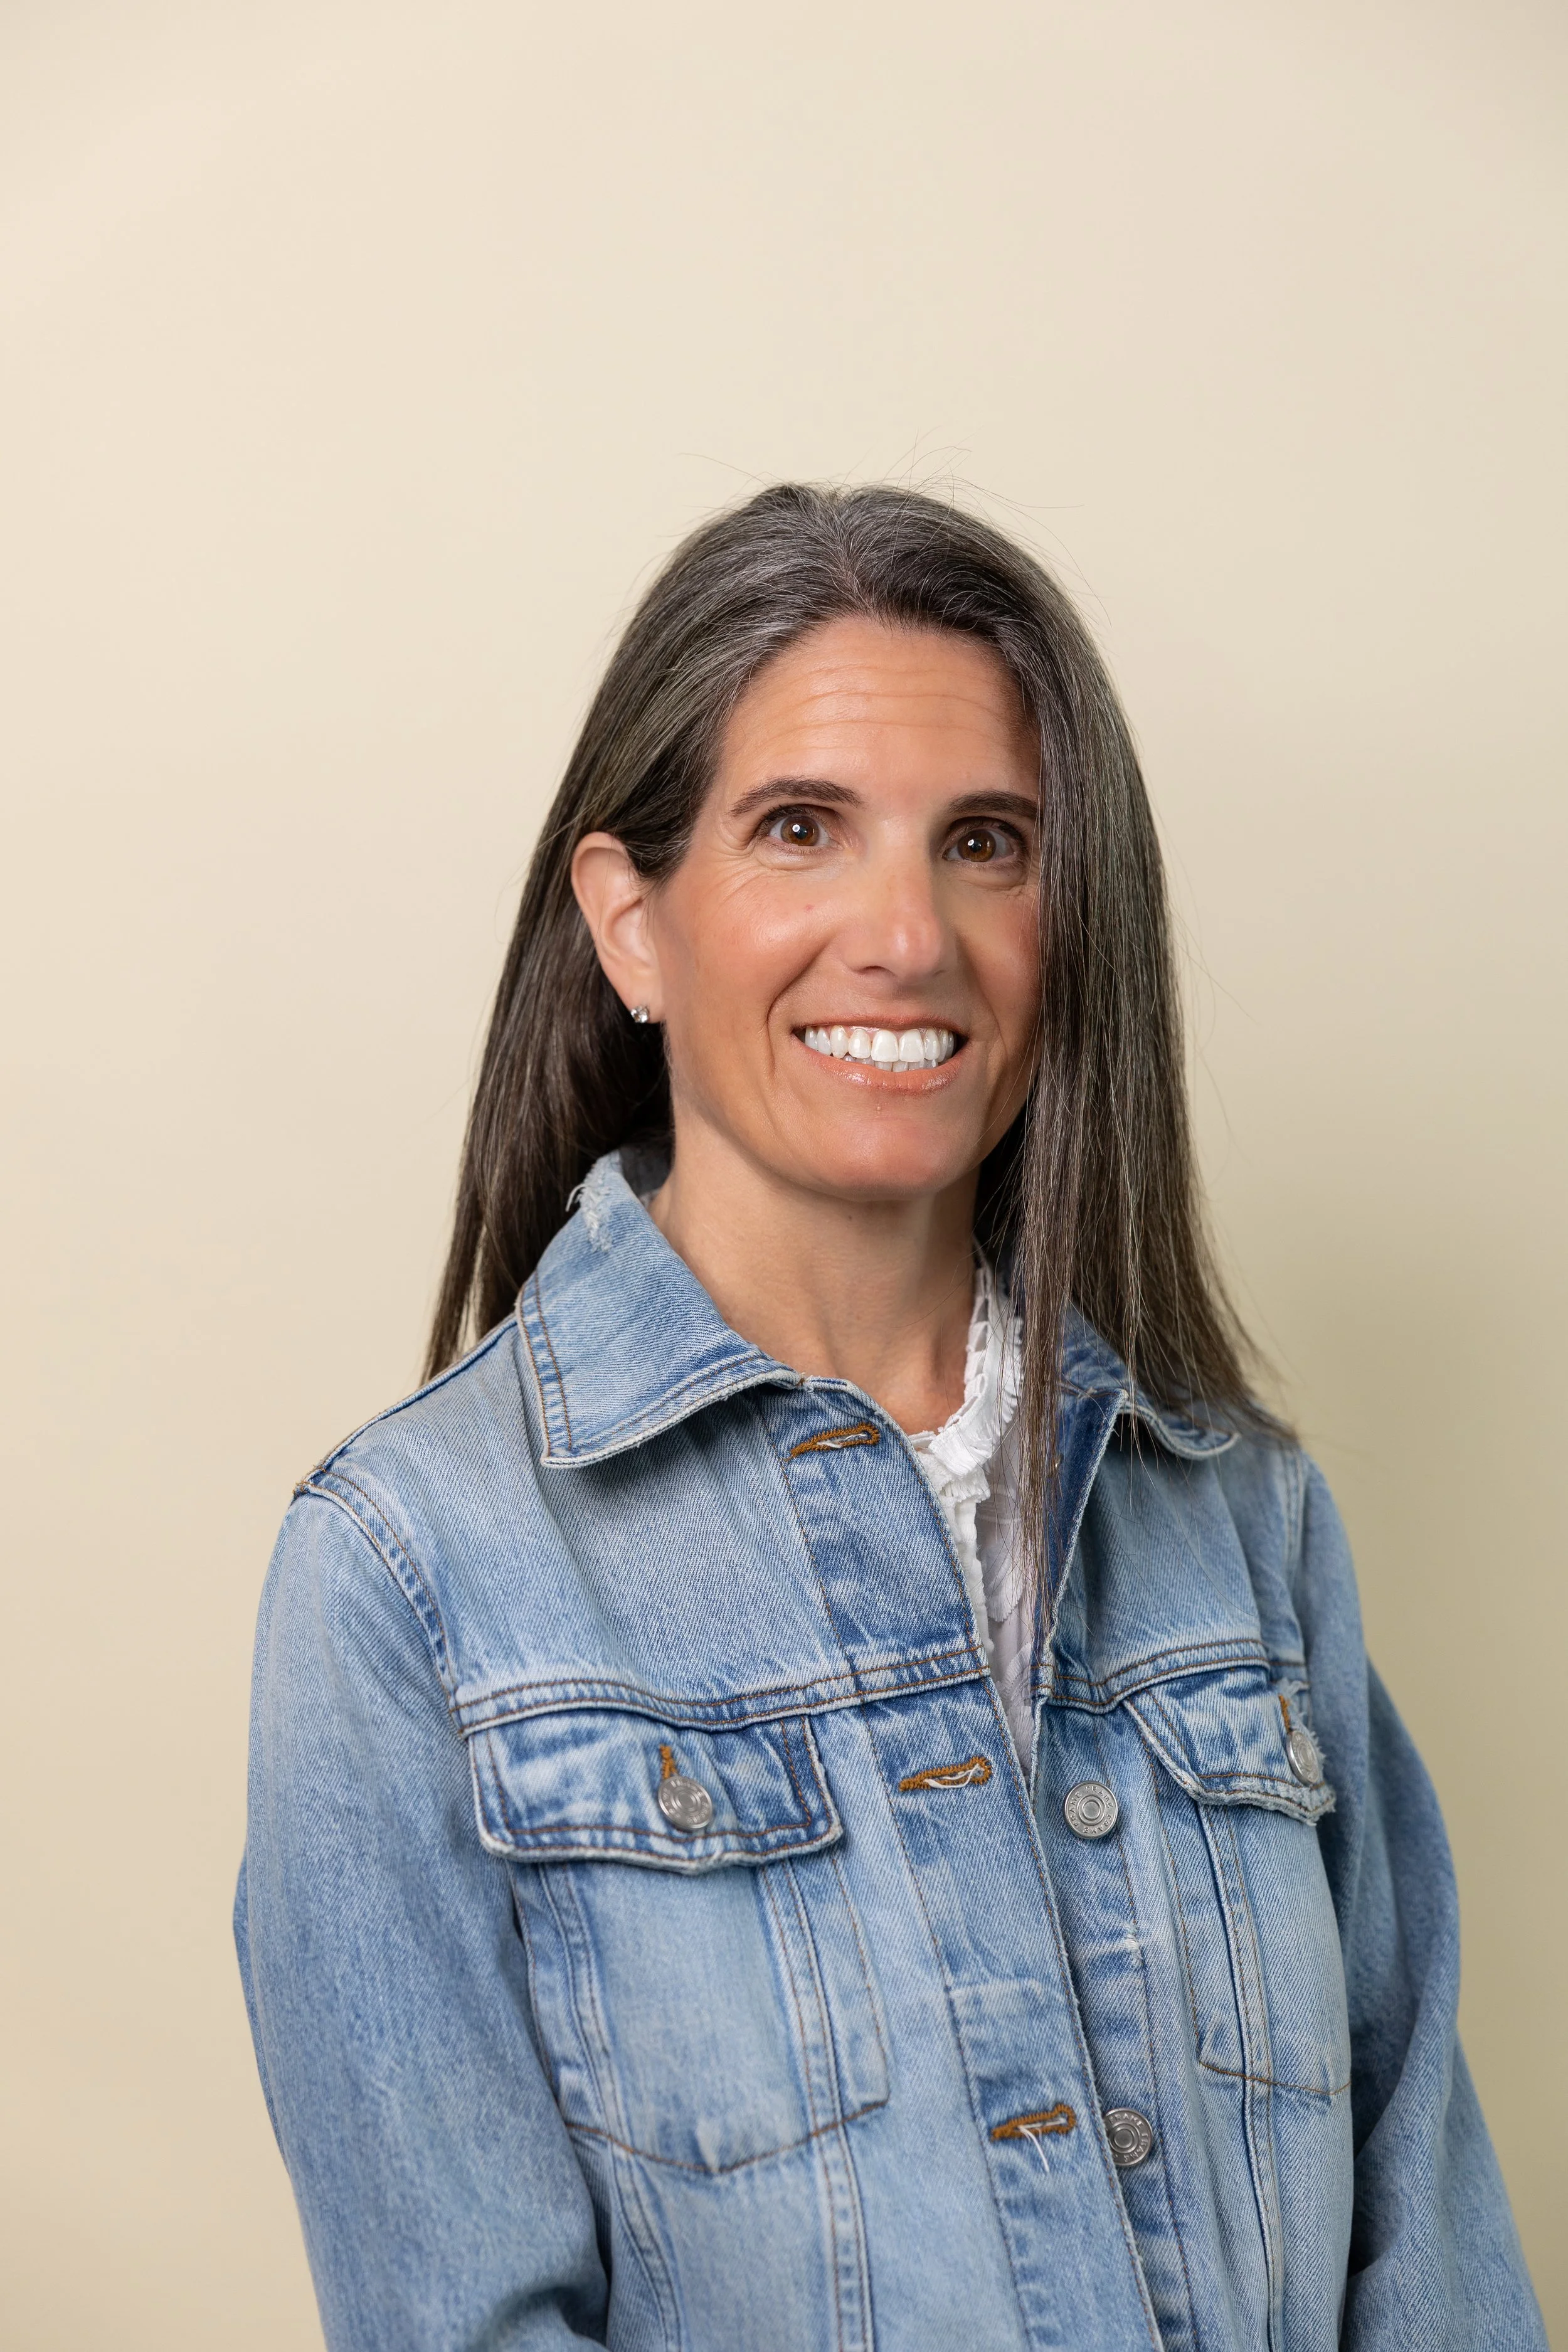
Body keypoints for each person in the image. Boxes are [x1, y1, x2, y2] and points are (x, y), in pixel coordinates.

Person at [236, 484, 1544, 2351]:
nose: (906, 933)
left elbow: (1425, 2244)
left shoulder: (1245, 1518)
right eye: (797, 829)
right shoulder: (403, 1575)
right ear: (629, 921)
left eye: (986, 843)